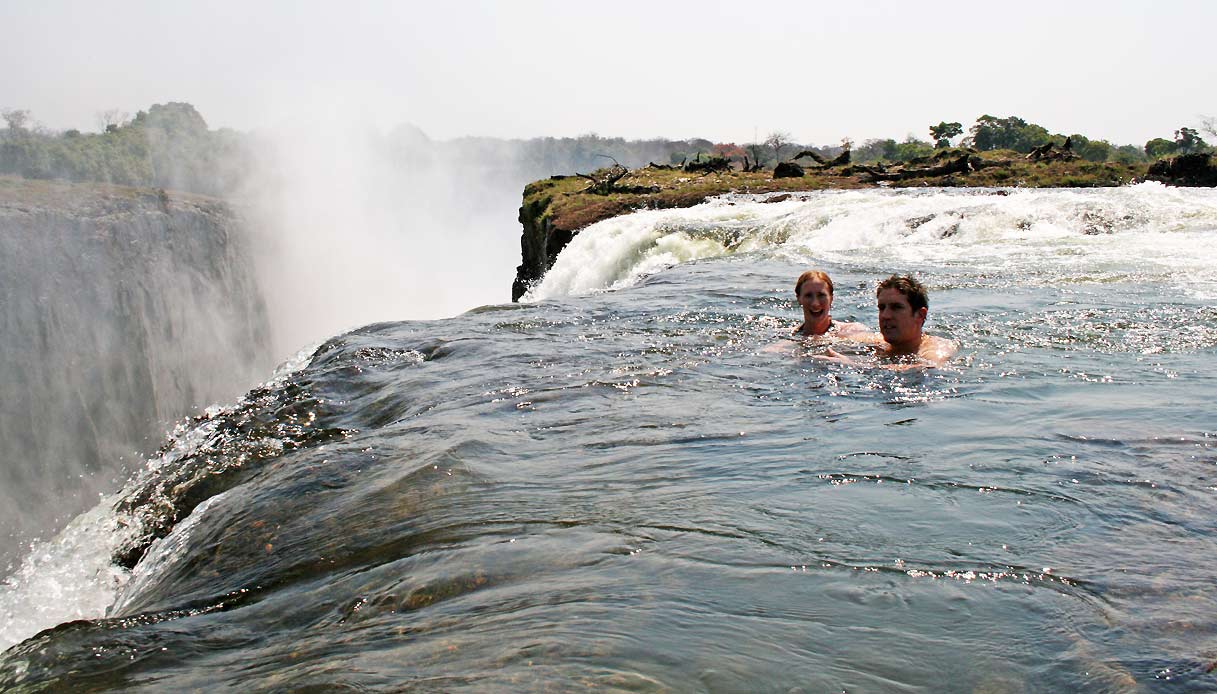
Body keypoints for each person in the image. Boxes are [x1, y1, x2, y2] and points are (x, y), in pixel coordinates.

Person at [820, 274, 957, 368]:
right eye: (882, 307)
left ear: (920, 315)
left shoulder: (935, 348)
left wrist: (856, 366)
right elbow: (823, 339)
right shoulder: (878, 342)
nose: (885, 315)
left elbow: (928, 367)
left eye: (896, 307)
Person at [791, 270, 867, 337]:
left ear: (831, 298)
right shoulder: (789, 337)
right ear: (799, 299)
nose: (815, 303)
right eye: (808, 296)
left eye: (821, 295)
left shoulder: (854, 331)